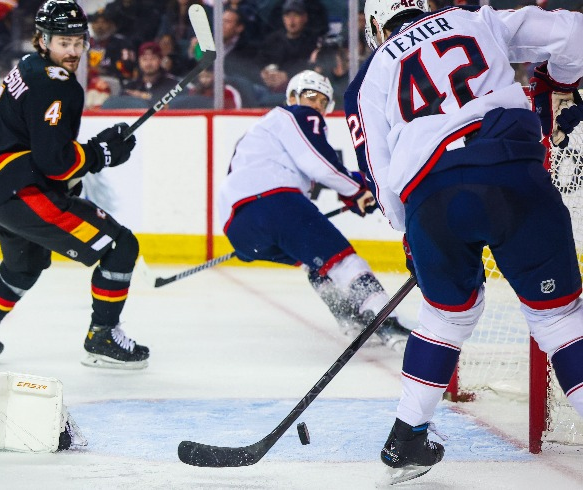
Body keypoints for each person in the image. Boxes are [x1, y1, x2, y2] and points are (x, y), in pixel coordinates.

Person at [345, 1, 583, 483]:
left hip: (431, 197)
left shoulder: (368, 79)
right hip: (510, 171)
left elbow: (379, 169)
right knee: (557, 317)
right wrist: (560, 81)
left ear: (376, 24)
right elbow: (572, 31)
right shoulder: (477, 19)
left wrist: (409, 233)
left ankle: (406, 436)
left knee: (445, 315)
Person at [0, 0, 148, 369]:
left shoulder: (30, 67)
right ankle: (102, 337)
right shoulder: (57, 84)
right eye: (64, 42)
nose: (73, 51)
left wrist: (94, 152)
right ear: (42, 39)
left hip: (0, 190)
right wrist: (101, 154)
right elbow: (55, 161)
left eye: (79, 42)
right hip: (24, 193)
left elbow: (44, 148)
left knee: (22, 267)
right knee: (121, 245)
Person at [218, 69, 412, 351]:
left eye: (323, 102)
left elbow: (314, 172)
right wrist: (357, 190)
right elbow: (320, 164)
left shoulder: (263, 130)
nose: (317, 107)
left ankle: (350, 317)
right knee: (344, 260)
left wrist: (353, 190)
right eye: (311, 97)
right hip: (271, 202)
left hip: (238, 226)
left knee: (316, 260)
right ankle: (387, 320)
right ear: (293, 97)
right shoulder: (296, 115)